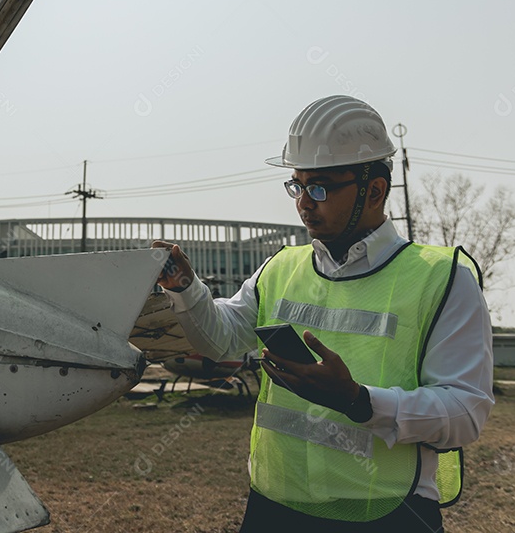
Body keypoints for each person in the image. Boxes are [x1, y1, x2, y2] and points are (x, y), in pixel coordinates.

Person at [153, 95, 493, 533]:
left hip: (387, 515)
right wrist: (185, 289)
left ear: (375, 191)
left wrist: (357, 400)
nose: (303, 203)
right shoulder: (280, 268)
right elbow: (220, 338)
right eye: (297, 186)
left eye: (320, 187)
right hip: (274, 507)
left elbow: (465, 415)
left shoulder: (442, 278)